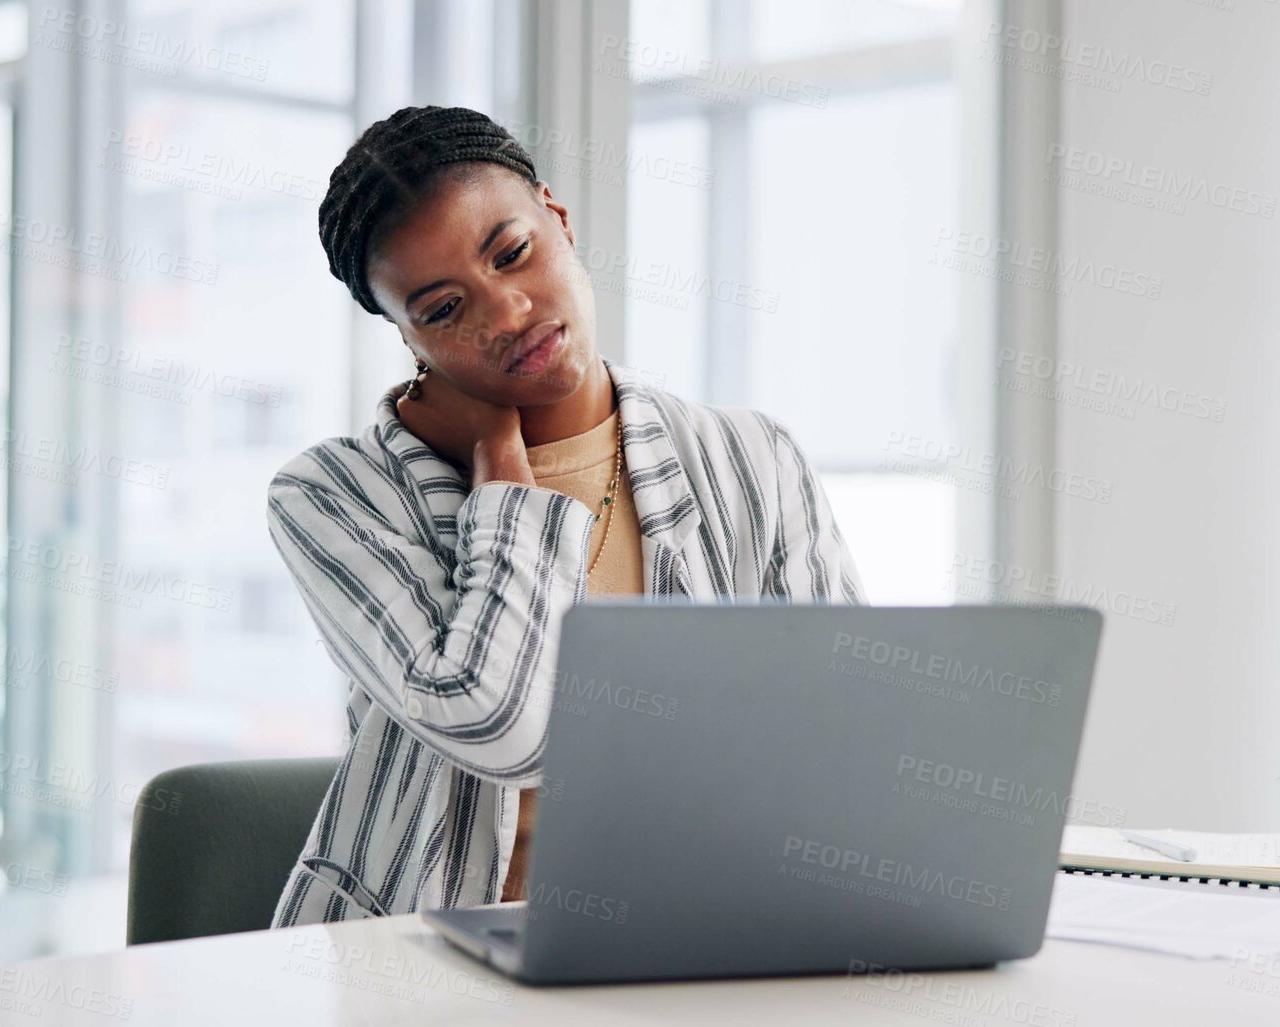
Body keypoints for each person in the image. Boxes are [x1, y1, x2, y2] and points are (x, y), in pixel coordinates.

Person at [267, 105, 865, 927]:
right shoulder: (333, 495)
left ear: (557, 216)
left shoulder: (751, 456)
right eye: (443, 309)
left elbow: (846, 733)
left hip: (698, 938)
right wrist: (508, 483)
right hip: (424, 964)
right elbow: (499, 723)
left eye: (513, 253)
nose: (506, 313)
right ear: (406, 336)